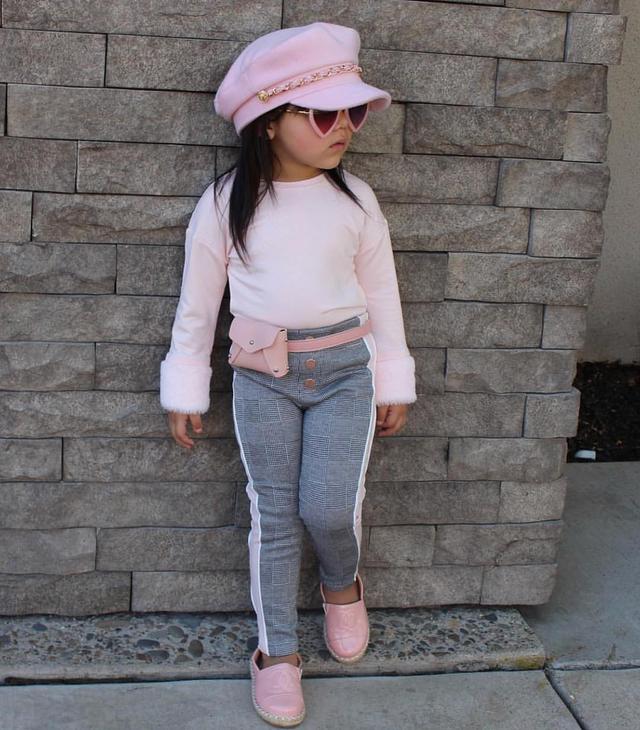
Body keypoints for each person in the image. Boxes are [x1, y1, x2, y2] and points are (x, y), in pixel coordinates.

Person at [159, 21, 418, 727]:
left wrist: (393, 375)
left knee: (329, 508)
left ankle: (342, 583)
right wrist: (186, 383)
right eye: (324, 114)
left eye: (353, 112)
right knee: (273, 517)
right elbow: (198, 305)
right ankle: (276, 653)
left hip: (345, 375)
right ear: (269, 123)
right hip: (261, 377)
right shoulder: (224, 204)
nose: (345, 128)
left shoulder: (356, 200)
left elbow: (383, 294)